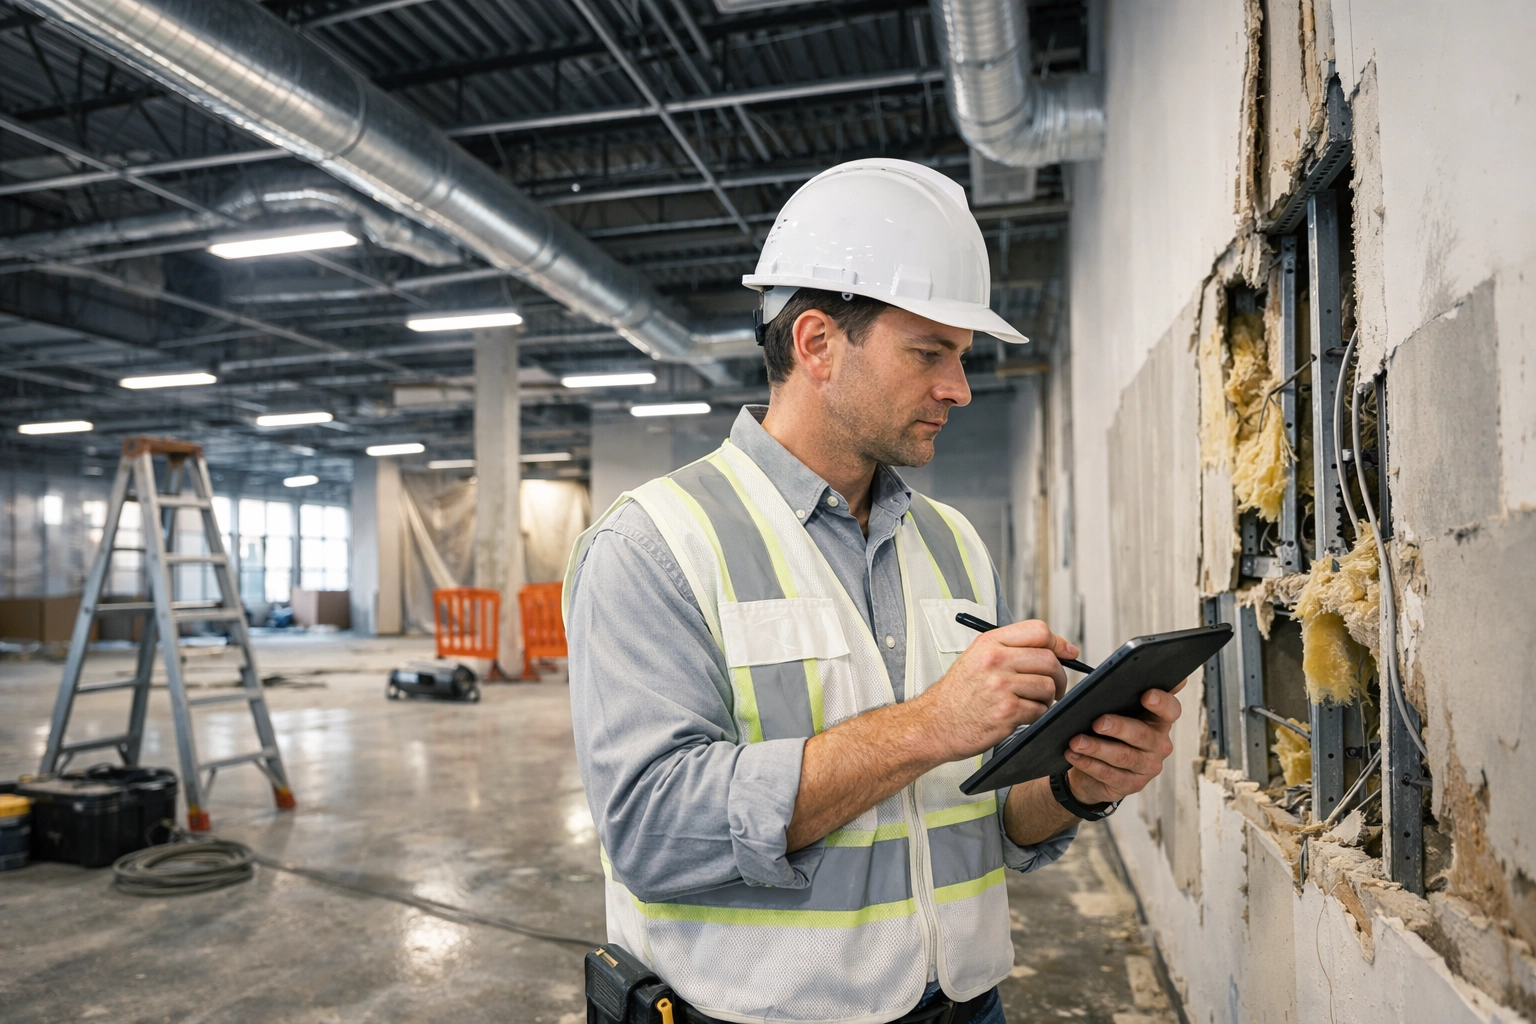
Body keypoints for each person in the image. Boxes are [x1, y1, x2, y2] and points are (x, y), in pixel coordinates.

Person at [565, 159, 1181, 1024]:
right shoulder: (653, 544)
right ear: (817, 344)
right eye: (930, 353)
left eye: (960, 358)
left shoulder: (955, 543)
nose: (958, 389)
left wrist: (1076, 784)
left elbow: (984, 823)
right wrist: (929, 723)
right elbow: (654, 830)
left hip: (966, 1005)